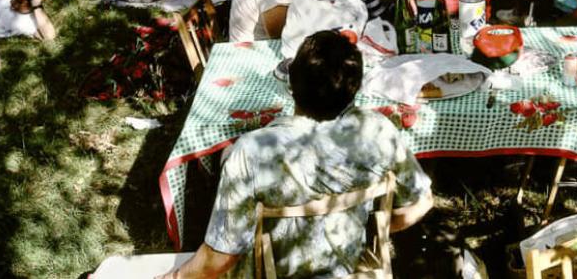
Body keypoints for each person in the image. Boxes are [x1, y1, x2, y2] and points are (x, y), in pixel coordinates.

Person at [160, 30, 432, 278]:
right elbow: (421, 201)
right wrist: (373, 229)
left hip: (271, 271)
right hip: (350, 267)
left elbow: (219, 256)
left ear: (291, 83)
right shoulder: (379, 130)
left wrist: (174, 277)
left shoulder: (251, 152)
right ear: (354, 88)